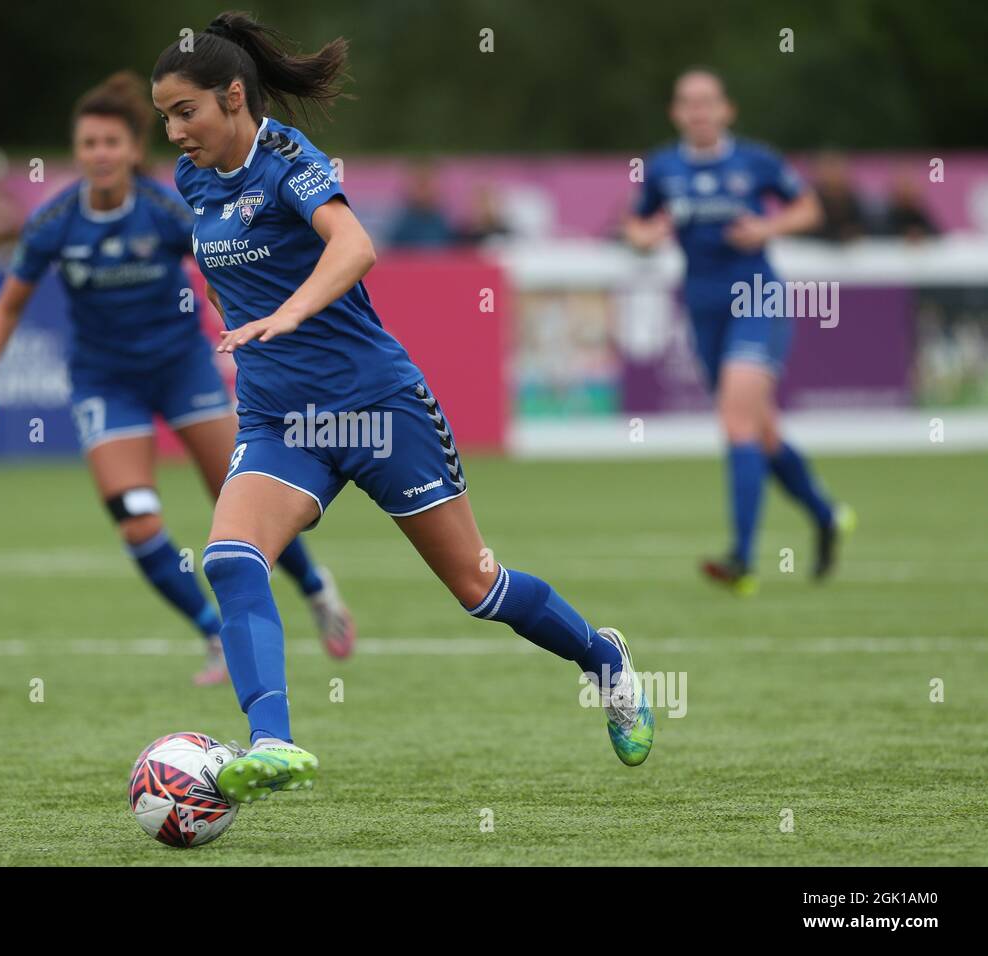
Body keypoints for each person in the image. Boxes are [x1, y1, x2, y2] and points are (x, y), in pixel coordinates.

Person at [152, 11, 654, 803]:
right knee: (231, 558)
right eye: (165, 117)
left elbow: (355, 247)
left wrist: (290, 312)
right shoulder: (192, 182)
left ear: (234, 98)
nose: (175, 131)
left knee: (478, 588)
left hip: (376, 406)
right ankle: (273, 742)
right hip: (283, 421)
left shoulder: (287, 157)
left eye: (186, 112)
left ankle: (606, 661)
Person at [0, 71, 355, 686]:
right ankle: (211, 632)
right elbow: (9, 304)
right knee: (137, 517)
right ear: (77, 152)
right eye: (88, 144)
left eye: (111, 143)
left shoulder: (166, 211)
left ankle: (315, 588)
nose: (100, 155)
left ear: (133, 150)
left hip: (182, 370)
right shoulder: (55, 221)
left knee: (241, 496)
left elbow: (224, 259)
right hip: (105, 381)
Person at [624, 68, 854, 595]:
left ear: (727, 110)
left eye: (708, 102)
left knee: (735, 421)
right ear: (676, 113)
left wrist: (767, 228)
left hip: (758, 298)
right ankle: (825, 515)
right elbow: (636, 225)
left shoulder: (756, 160)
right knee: (760, 430)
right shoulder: (663, 168)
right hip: (703, 309)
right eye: (688, 103)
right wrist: (646, 236)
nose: (699, 111)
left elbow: (809, 208)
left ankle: (743, 560)